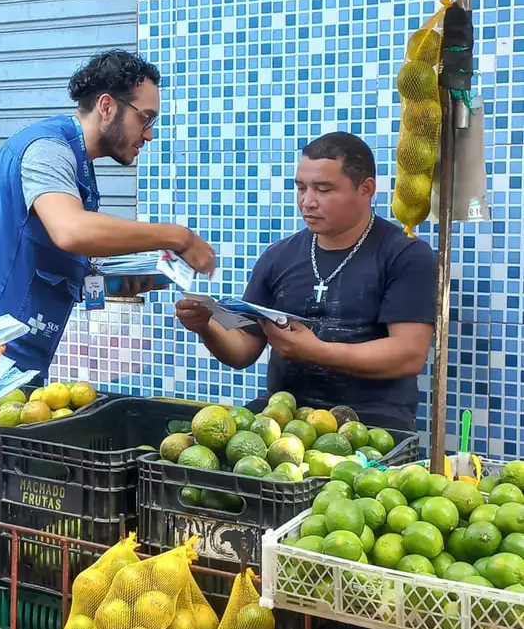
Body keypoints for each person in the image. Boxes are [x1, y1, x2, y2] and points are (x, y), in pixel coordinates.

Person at [0, 49, 217, 380]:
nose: (149, 134)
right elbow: (71, 230)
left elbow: (55, 264)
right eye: (145, 118)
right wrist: (179, 237)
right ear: (107, 106)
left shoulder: (81, 173)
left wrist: (117, 284)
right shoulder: (46, 149)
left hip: (16, 359)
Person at [176, 133, 437, 431]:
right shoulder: (278, 257)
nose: (307, 202)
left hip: (372, 421)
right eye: (301, 188)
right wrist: (205, 326)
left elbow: (409, 355)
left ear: (366, 189)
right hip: (284, 417)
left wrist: (316, 351)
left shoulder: (405, 254)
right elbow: (243, 351)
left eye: (323, 189)